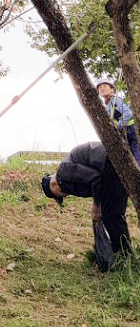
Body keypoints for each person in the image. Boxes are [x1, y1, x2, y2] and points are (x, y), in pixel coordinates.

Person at [41, 142, 132, 271]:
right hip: (110, 164)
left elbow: (95, 179)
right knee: (113, 214)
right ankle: (125, 257)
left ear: (53, 186)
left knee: (111, 215)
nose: (64, 197)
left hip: (108, 162)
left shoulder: (64, 172)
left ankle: (124, 259)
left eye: (58, 196)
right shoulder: (66, 176)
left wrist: (96, 206)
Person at [96, 78, 140, 164]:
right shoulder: (108, 104)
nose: (102, 88)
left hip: (130, 129)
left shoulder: (115, 100)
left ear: (112, 89)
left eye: (105, 86)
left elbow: (128, 113)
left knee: (136, 154)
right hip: (124, 132)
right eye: (100, 87)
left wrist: (119, 125)